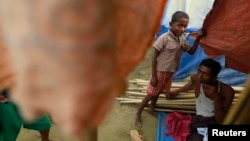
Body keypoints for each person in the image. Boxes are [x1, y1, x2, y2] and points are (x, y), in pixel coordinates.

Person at [135, 10, 205, 127]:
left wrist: (198, 39)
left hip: (170, 72)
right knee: (151, 94)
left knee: (157, 93)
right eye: (179, 25)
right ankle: (138, 113)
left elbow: (191, 52)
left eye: (185, 26)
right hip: (159, 72)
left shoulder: (182, 38)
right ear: (171, 24)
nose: (182, 29)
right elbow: (154, 57)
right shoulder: (164, 38)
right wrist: (153, 76)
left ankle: (151, 109)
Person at [167, 59, 235, 141]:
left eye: (205, 74)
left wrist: (216, 98)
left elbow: (221, 121)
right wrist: (177, 91)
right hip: (199, 121)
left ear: (214, 78)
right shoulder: (196, 79)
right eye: (199, 71)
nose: (199, 76)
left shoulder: (227, 91)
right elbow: (191, 84)